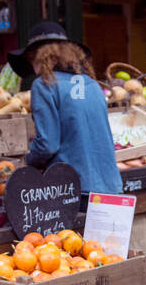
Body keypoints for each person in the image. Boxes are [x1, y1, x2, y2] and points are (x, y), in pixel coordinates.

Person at [9, 21, 122, 194]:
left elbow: (48, 145)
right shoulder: (92, 84)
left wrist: (22, 161)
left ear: (36, 57)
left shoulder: (44, 84)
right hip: (111, 186)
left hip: (73, 188)